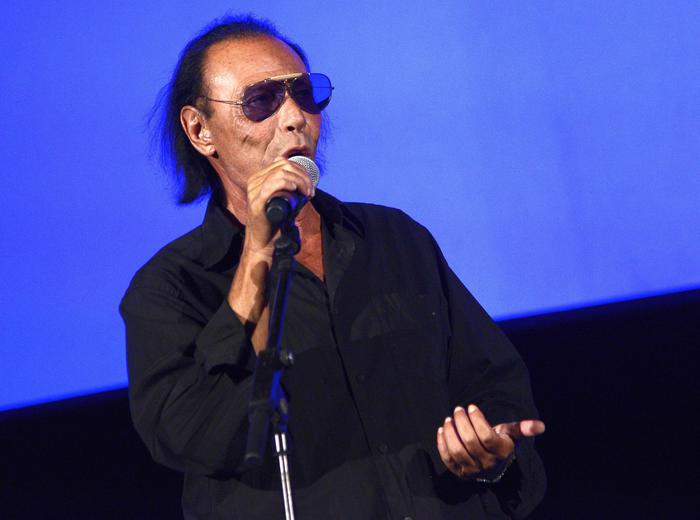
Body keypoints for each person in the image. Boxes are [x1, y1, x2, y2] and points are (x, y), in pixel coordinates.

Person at [120, 15, 546, 520]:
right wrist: (258, 250)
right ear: (200, 130)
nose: (295, 117)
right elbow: (193, 436)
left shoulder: (393, 239)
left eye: (304, 93)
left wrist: (490, 452)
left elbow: (495, 385)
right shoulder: (170, 288)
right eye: (262, 100)